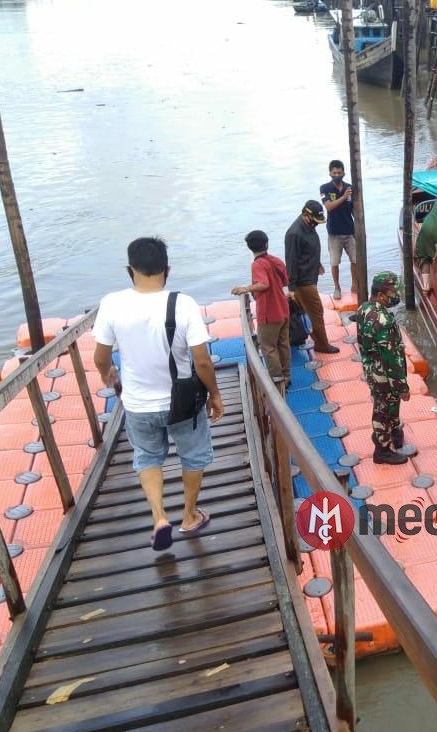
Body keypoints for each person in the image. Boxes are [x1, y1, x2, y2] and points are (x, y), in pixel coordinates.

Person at [92, 237, 224, 551]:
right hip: (182, 401)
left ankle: (159, 517)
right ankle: (189, 515)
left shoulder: (112, 303)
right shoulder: (184, 304)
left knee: (148, 457)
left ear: (130, 270)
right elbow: (202, 361)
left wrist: (108, 373)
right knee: (193, 456)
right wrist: (215, 395)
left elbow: (100, 357)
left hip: (137, 403)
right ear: (168, 270)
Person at [352, 272, 411, 465]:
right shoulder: (383, 320)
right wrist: (402, 386)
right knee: (383, 409)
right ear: (380, 295)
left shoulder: (364, 308)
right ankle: (382, 450)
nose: (396, 296)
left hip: (371, 367)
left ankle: (394, 432)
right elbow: (390, 358)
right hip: (384, 374)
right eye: (392, 292)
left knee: (390, 404)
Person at [232, 230, 291, 389]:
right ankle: (286, 375)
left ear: (249, 247)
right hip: (283, 308)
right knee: (283, 344)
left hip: (269, 313)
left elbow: (264, 284)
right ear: (267, 244)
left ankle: (277, 380)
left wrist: (246, 288)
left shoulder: (257, 264)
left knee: (268, 347)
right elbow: (285, 281)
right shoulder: (276, 261)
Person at [285, 200, 340, 354]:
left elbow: (308, 250)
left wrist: (317, 264)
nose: (316, 224)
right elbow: (291, 261)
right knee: (316, 312)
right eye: (315, 220)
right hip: (303, 282)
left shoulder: (308, 227)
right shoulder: (294, 233)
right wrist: (291, 287)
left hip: (310, 275)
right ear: (305, 215)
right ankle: (321, 344)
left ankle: (293, 337)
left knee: (303, 310)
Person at [320, 159, 358, 301]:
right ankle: (337, 287)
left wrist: (359, 228)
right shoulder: (325, 188)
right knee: (334, 262)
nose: (337, 175)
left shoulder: (350, 188)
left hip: (349, 231)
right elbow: (329, 207)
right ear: (330, 173)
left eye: (339, 173)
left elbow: (354, 209)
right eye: (334, 173)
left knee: (355, 260)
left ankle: (355, 285)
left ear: (343, 173)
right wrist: (343, 197)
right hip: (334, 232)